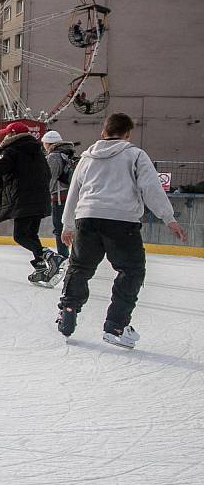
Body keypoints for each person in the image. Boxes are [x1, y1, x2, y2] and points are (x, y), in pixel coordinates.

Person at [56, 113, 188, 345]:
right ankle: (115, 326)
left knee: (80, 267)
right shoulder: (135, 155)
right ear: (127, 135)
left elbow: (74, 192)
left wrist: (67, 224)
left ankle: (68, 310)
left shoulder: (86, 158)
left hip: (87, 218)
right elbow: (151, 187)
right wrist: (169, 218)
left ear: (103, 132)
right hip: (122, 221)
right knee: (132, 270)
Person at [0, 121, 62, 285]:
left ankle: (50, 256)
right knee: (31, 235)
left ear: (12, 135)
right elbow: (47, 175)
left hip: (23, 200)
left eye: (7, 133)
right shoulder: (38, 152)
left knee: (20, 236)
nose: (5, 135)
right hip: (40, 200)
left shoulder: (12, 151)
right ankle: (41, 268)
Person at [42, 130, 75, 263]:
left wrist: (44, 195)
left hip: (60, 197)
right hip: (70, 195)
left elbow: (50, 178)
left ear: (48, 143)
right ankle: (72, 255)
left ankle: (63, 256)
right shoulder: (68, 153)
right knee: (70, 226)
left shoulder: (54, 157)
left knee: (59, 227)